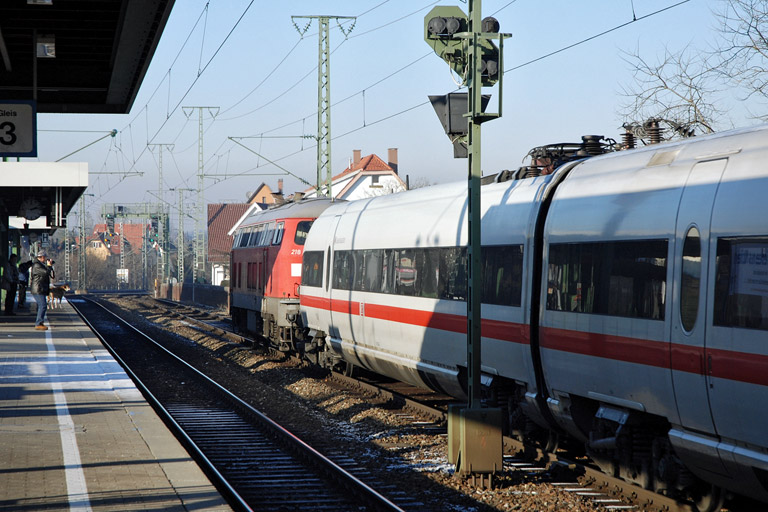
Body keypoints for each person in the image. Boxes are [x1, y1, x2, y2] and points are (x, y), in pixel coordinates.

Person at [29, 251, 54, 330]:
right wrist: (49, 266)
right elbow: (46, 273)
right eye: (45, 257)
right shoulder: (37, 265)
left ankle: (40, 322)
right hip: (38, 289)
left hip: (40, 288)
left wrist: (49, 266)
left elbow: (49, 273)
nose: (46, 259)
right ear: (42, 257)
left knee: (42, 305)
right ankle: (38, 323)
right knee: (42, 305)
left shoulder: (40, 265)